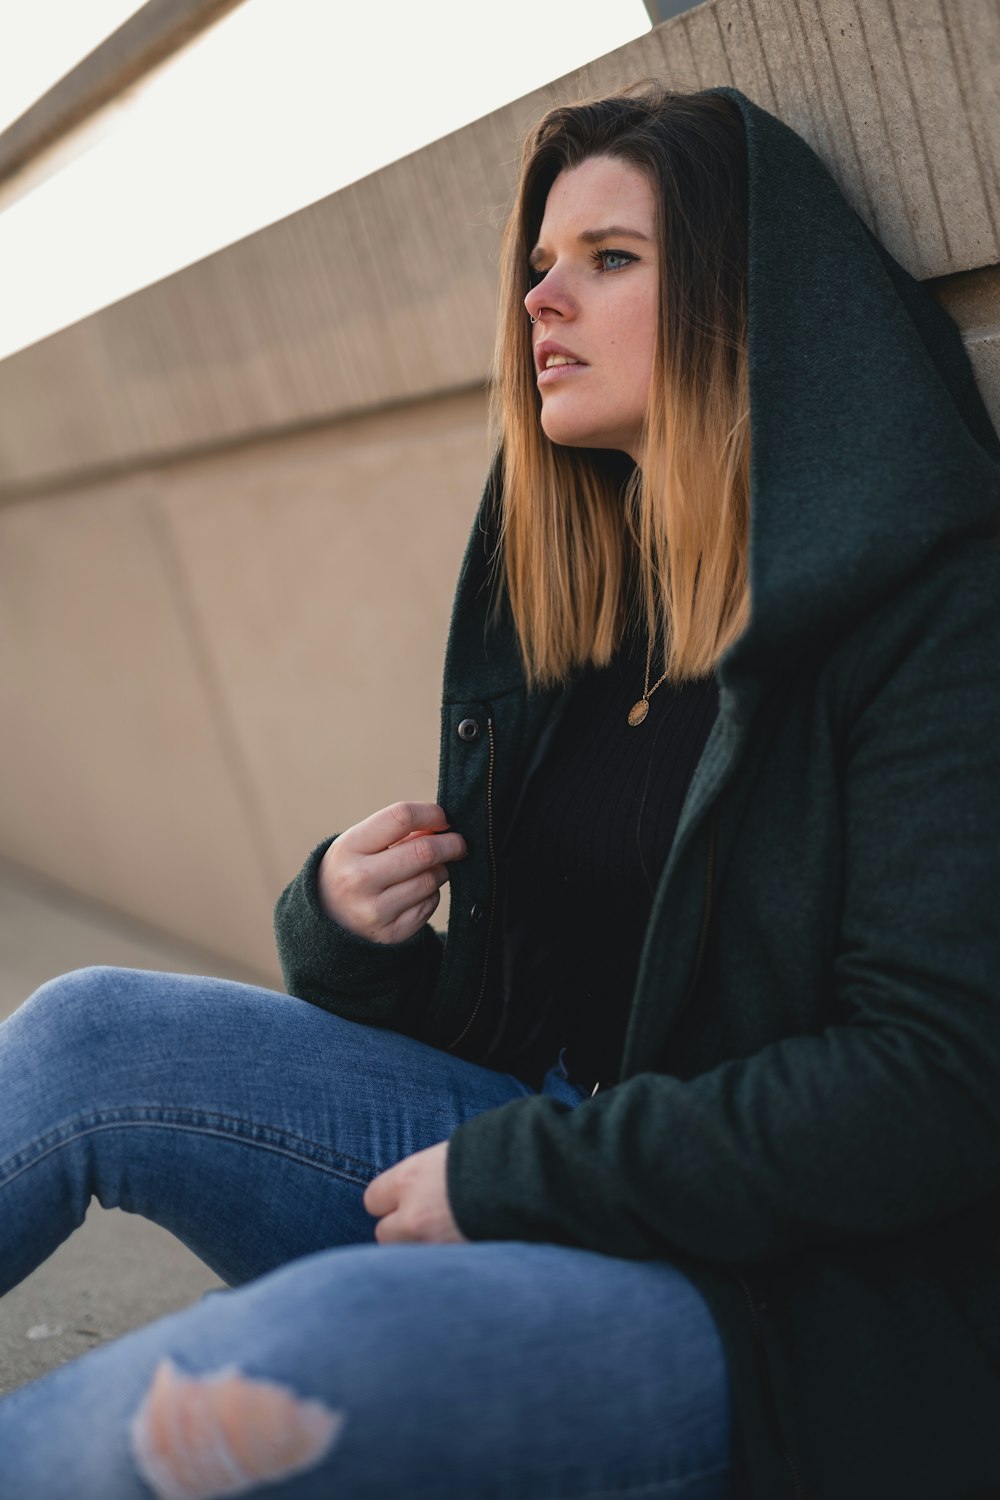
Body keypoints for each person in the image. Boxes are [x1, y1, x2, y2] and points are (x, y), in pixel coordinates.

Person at [0, 80, 998, 1500]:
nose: (542, 300)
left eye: (608, 259)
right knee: (90, 1033)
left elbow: (935, 1086)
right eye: (538, 265)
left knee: (251, 1382)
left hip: (784, 1300)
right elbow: (539, 1024)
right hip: (558, 1164)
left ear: (743, 297)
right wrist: (348, 937)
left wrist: (526, 1177)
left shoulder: (932, 617)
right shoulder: (594, 605)